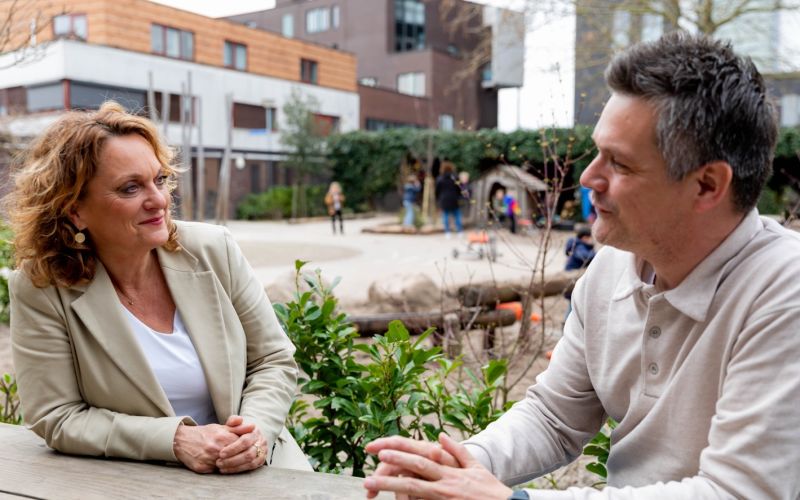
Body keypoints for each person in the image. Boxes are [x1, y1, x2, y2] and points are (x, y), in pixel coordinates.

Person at [364, 32, 800, 499]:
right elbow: (554, 416)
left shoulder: (783, 293)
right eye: (597, 153)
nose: (588, 177)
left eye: (620, 164)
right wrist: (464, 464)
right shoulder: (612, 267)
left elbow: (737, 492)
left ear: (707, 185)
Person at [5, 102, 310, 474]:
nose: (160, 200)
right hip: (141, 480)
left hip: (258, 469)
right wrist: (175, 440)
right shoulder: (42, 287)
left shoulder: (214, 249)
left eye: (160, 179)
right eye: (130, 188)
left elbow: (273, 360)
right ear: (74, 210)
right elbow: (56, 416)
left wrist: (253, 432)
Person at [563, 227, 596, 321]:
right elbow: (583, 256)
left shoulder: (577, 246)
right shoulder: (579, 247)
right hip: (573, 281)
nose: (591, 240)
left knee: (573, 306)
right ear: (584, 238)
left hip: (573, 281)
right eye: (589, 238)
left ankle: (567, 324)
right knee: (573, 306)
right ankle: (566, 325)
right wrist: (597, 256)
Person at [435, 162, 463, 238]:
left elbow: (437, 191)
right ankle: (459, 231)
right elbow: (459, 189)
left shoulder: (440, 179)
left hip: (444, 199)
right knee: (457, 215)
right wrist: (459, 196)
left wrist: (438, 198)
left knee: (445, 216)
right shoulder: (455, 178)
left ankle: (447, 232)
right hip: (454, 199)